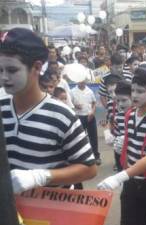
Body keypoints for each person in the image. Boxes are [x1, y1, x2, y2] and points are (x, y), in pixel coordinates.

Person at [0, 28, 96, 193]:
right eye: (0, 70)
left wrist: (41, 176)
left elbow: (89, 168)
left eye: (12, 70)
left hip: (49, 214)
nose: (4, 77)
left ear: (36, 68)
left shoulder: (62, 116)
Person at [97, 68, 146, 225]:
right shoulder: (130, 115)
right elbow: (130, 141)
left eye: (140, 91)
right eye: (133, 90)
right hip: (132, 181)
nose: (135, 95)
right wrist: (119, 142)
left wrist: (119, 177)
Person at [71, 79, 100, 165]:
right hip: (79, 117)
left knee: (93, 137)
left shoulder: (89, 91)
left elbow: (94, 103)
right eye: (80, 81)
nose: (82, 82)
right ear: (77, 81)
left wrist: (92, 112)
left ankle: (96, 156)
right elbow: (69, 103)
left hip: (90, 116)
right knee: (80, 138)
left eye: (83, 81)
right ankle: (82, 158)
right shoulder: (72, 91)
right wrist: (75, 106)